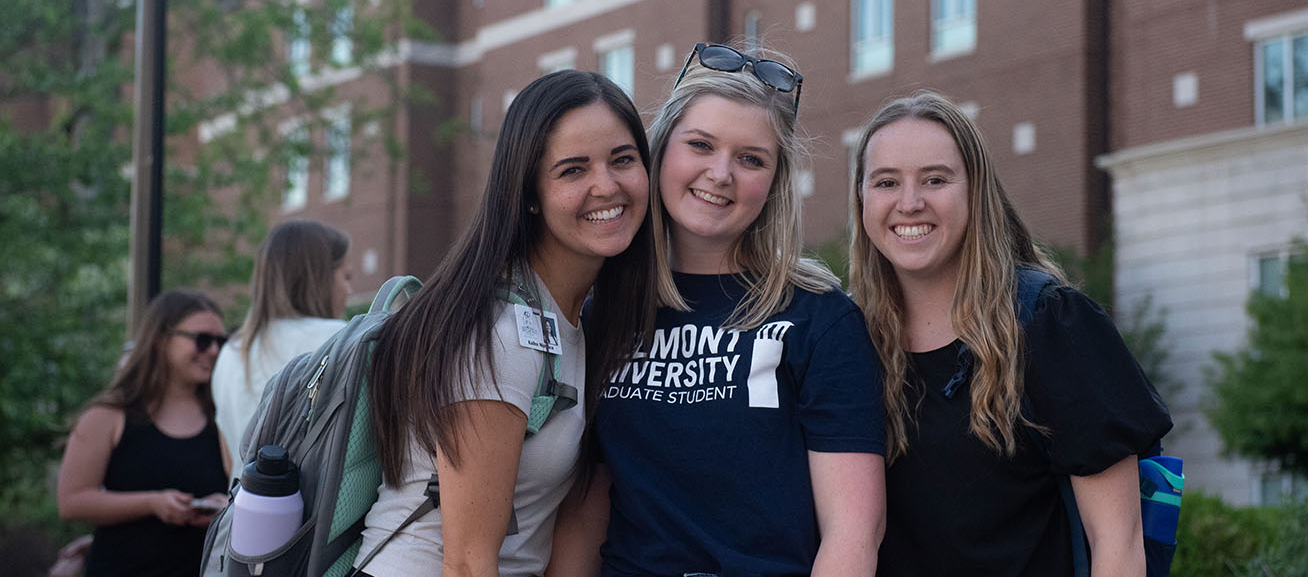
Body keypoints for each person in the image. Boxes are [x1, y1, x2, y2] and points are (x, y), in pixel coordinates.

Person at [551, 42, 887, 577]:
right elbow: (588, 504)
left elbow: (853, 534)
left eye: (751, 158)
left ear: (774, 183)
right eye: (701, 145)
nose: (721, 173)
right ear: (661, 152)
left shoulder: (821, 320)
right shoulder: (603, 311)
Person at [847, 91, 1172, 576]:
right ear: (862, 199)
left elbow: (1119, 545)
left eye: (935, 179)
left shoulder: (1049, 324)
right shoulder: (847, 339)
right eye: (886, 182)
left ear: (975, 191)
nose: (909, 203)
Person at [354, 69, 657, 577]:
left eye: (622, 160)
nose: (606, 186)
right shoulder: (501, 331)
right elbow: (468, 565)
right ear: (530, 193)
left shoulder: (569, 317)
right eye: (573, 170)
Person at [56, 289, 232, 576]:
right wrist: (153, 503)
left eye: (221, 342)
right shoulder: (109, 414)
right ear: (161, 339)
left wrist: (223, 507)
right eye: (202, 340)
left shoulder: (222, 415)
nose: (213, 351)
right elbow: (72, 502)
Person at [212, 219, 351, 466]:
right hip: (316, 503)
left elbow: (228, 459)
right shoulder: (338, 339)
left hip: (245, 502)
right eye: (345, 276)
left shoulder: (230, 351)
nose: (349, 290)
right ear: (321, 277)